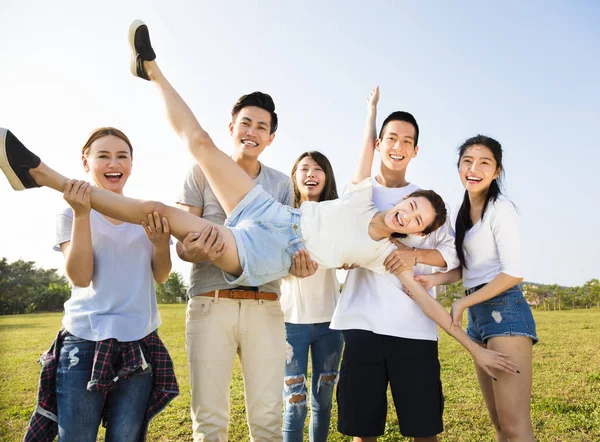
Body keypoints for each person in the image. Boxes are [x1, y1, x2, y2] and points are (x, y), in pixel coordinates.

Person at [0, 21, 517, 387]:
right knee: (201, 144)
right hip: (274, 212)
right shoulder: (363, 194)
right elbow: (367, 145)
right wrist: (372, 112)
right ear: (404, 200)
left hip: (267, 252)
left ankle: (40, 175)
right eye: (412, 206)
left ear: (412, 233)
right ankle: (150, 68)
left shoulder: (386, 257)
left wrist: (474, 348)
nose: (407, 215)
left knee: (167, 212)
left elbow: (430, 306)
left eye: (417, 221)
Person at [22, 128, 178, 442]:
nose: (113, 163)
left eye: (122, 156)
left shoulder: (144, 213)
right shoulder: (69, 213)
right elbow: (80, 276)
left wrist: (161, 244)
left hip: (139, 342)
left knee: (125, 437)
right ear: (86, 162)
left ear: (132, 164)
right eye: (103, 155)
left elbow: (160, 275)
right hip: (84, 342)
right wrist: (82, 213)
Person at [331, 87, 460, 442]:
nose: (397, 146)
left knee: (424, 430)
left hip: (414, 329)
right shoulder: (358, 192)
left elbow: (451, 253)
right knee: (362, 430)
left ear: (415, 150)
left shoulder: (427, 201)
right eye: (391, 138)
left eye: (407, 141)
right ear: (378, 144)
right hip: (362, 326)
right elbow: (339, 241)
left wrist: (414, 255)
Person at [176, 89, 295, 440]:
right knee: (209, 420)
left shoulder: (281, 184)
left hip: (266, 307)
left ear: (271, 137)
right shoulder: (200, 173)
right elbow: (182, 247)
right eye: (246, 123)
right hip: (211, 303)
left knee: (269, 418)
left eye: (262, 126)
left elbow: (284, 251)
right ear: (231, 127)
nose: (252, 132)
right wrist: (197, 250)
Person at [415, 135, 537, 442]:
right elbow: (466, 269)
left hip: (505, 312)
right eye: (468, 161)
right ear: (458, 167)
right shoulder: (462, 210)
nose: (475, 168)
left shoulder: (501, 208)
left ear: (496, 171)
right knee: (498, 423)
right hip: (479, 318)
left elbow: (513, 273)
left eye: (485, 163)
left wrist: (463, 304)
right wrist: (436, 279)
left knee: (515, 425)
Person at [281, 151, 343, 442]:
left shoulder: (337, 216)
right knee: (295, 404)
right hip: (290, 324)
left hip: (330, 324)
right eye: (303, 168)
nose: (310, 174)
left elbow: (349, 251)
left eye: (317, 169)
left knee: (324, 402)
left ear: (327, 176)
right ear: (294, 177)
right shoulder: (282, 216)